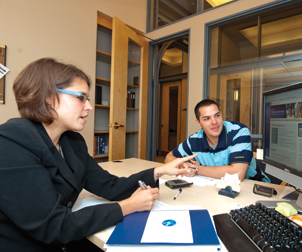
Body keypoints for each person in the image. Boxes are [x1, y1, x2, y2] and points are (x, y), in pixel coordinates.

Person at [0, 58, 197, 252]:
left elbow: (109, 186)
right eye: (81, 97)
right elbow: (53, 226)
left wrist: (160, 170)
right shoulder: (11, 143)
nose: (89, 107)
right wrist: (128, 206)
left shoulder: (72, 142)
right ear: (48, 98)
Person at [165, 99, 270, 182]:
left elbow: (237, 175)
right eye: (207, 119)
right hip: (216, 187)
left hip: (254, 188)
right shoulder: (194, 140)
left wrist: (197, 169)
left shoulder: (238, 131)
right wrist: (186, 166)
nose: (214, 122)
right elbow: (169, 158)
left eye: (217, 115)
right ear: (198, 123)